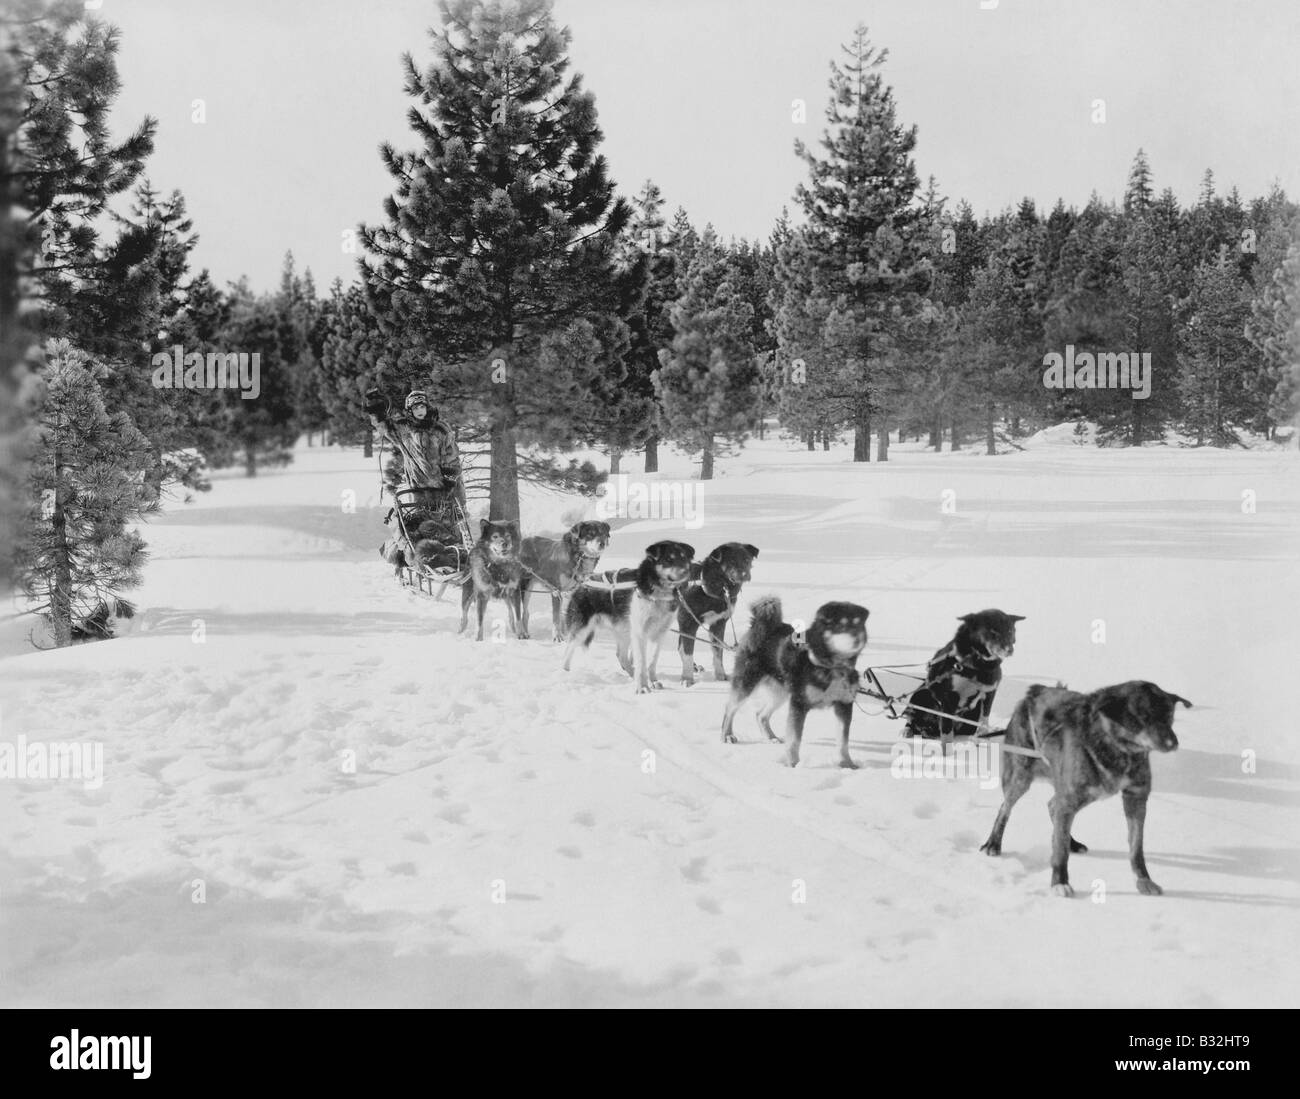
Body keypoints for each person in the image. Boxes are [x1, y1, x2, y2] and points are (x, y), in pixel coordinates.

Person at [363, 387, 468, 516]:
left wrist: (450, 479)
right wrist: (374, 405)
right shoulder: (403, 431)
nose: (419, 411)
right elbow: (382, 424)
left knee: (449, 525)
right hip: (419, 489)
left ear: (427, 407)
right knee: (422, 525)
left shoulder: (440, 429)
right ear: (410, 411)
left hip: (444, 487)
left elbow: (451, 456)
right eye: (415, 408)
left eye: (421, 407)